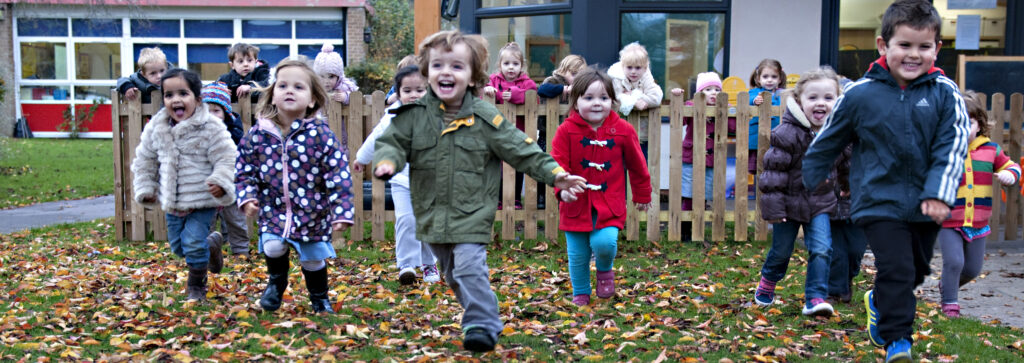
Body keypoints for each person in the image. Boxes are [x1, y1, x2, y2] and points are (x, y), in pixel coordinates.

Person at [372, 30, 586, 353]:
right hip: (431, 216)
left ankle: (482, 323)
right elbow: (392, 141)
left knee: (470, 265)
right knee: (453, 274)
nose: (446, 72)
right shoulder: (413, 117)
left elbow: (522, 149)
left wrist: (556, 175)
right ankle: (480, 310)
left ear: (474, 76)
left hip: (472, 213)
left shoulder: (485, 118)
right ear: (426, 72)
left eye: (457, 66)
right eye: (437, 65)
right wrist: (387, 160)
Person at [802, 1, 971, 361]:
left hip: (927, 203)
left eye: (924, 47)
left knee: (916, 269)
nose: (914, 55)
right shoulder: (861, 94)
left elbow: (952, 147)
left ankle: (878, 301)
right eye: (904, 46)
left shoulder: (944, 93)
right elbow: (828, 139)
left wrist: (940, 194)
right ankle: (898, 341)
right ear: (883, 46)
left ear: (937, 49)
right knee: (896, 267)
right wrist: (810, 178)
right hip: (877, 199)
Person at [235, 57, 356, 314]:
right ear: (272, 95)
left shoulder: (321, 135)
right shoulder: (258, 135)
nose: (290, 90)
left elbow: (338, 174)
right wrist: (246, 196)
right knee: (273, 246)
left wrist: (342, 211)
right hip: (274, 209)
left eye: (299, 87)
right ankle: (276, 283)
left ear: (312, 99)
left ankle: (319, 298)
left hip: (312, 213)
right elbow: (244, 168)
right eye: (283, 86)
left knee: (313, 260)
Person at [130, 68, 237, 301]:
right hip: (173, 199)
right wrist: (146, 188)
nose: (176, 99)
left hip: (203, 198)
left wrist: (221, 181)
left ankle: (196, 288)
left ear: (198, 100)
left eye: (183, 94)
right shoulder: (157, 127)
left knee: (192, 243)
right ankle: (212, 245)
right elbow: (144, 160)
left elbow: (226, 157)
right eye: (169, 95)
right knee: (179, 248)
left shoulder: (211, 127)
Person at [551, 68, 652, 306]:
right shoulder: (565, 131)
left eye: (604, 98)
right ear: (575, 102)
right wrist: (562, 189)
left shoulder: (624, 131)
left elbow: (638, 165)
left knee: (604, 243)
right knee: (578, 254)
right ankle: (581, 294)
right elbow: (556, 164)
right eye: (588, 98)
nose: (597, 104)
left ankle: (605, 269)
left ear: (612, 101)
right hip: (575, 203)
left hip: (610, 202)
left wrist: (642, 193)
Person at [754, 66, 845, 318]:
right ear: (799, 100)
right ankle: (769, 280)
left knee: (822, 248)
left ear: (837, 101)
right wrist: (773, 209)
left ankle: (815, 297)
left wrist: (848, 187)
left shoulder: (838, 133)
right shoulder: (787, 133)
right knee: (782, 251)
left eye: (828, 98)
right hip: (788, 203)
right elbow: (773, 176)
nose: (820, 104)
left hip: (820, 202)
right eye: (813, 98)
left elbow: (847, 162)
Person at [352, 65, 439, 285]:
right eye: (407, 91)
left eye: (419, 90)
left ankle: (430, 264)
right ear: (398, 94)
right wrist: (362, 158)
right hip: (402, 181)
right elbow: (376, 137)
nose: (414, 95)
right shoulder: (392, 116)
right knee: (406, 220)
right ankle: (407, 265)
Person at [938, 90, 1020, 318]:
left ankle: (948, 287)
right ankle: (950, 304)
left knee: (972, 269)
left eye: (969, 122)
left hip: (979, 222)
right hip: (950, 220)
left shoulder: (990, 150)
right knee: (954, 262)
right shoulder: (944, 151)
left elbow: (1011, 166)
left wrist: (1010, 176)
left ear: (979, 124)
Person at [680, 72, 735, 241]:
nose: (713, 93)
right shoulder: (692, 106)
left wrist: (725, 110)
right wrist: (688, 104)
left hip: (711, 161)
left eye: (717, 90)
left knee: (704, 194)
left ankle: (699, 227)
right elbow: (679, 120)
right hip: (691, 159)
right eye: (708, 89)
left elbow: (733, 128)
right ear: (699, 93)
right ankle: (685, 230)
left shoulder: (721, 109)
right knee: (689, 194)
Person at [200, 82, 249, 261]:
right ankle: (207, 252)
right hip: (207, 186)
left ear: (225, 113)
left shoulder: (233, 133)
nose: (212, 115)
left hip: (231, 185)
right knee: (206, 221)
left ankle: (240, 251)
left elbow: (239, 159)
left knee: (236, 220)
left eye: (216, 111)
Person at [826, 143, 865, 304]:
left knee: (855, 250)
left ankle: (847, 278)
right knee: (836, 252)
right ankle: (833, 291)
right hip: (831, 203)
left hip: (860, 204)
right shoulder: (831, 137)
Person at [747, 58, 786, 175]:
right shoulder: (755, 92)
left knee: (776, 169)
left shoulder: (783, 94)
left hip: (778, 138)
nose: (769, 80)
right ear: (758, 79)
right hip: (757, 138)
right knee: (759, 169)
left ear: (780, 79)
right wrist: (755, 100)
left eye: (774, 77)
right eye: (765, 77)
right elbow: (748, 99)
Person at [607, 42, 663, 115]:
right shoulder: (616, 76)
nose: (633, 71)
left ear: (645, 68)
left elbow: (656, 98)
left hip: (642, 120)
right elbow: (614, 99)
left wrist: (632, 95)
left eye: (638, 68)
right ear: (623, 66)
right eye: (629, 67)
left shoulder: (646, 76)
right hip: (618, 119)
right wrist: (634, 102)